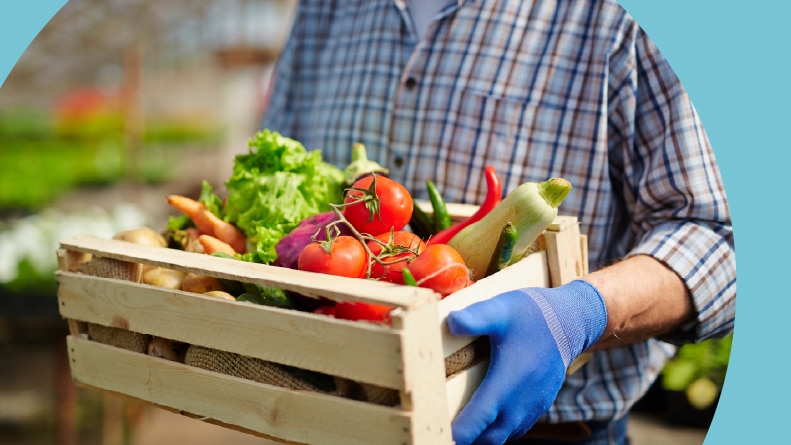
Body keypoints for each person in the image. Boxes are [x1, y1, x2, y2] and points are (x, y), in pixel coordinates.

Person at [260, 1, 736, 444]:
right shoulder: (326, 5)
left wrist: (580, 314)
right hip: (325, 420)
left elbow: (722, 237)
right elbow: (285, 170)